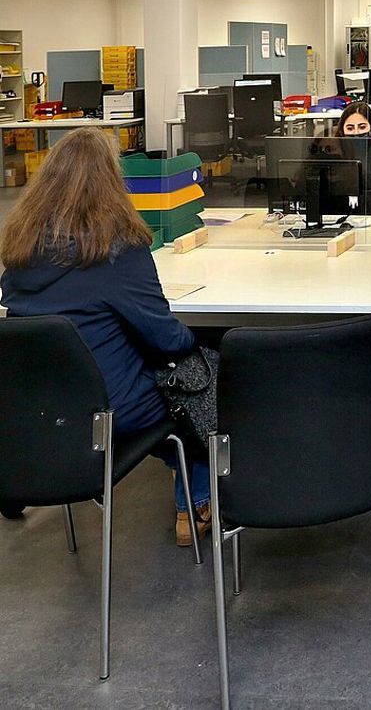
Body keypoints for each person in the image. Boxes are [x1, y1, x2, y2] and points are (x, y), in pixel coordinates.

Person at [0, 127, 211, 546]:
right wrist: (198, 341)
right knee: (200, 376)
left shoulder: (21, 250)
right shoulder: (117, 249)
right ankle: (195, 503)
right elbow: (167, 340)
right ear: (111, 183)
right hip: (108, 412)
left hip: (41, 410)